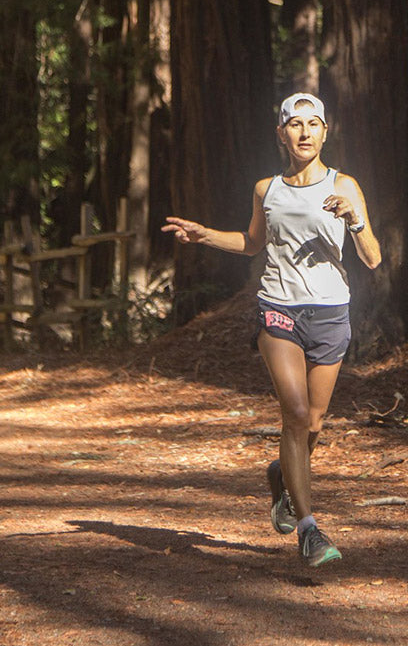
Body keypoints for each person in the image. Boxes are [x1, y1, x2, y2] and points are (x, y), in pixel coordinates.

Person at [162, 92, 381, 567]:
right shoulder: (268, 189)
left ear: (326, 132)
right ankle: (309, 529)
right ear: (281, 133)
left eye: (313, 124)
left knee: (314, 424)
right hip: (279, 308)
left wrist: (355, 219)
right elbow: (251, 243)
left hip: (331, 312)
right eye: (295, 124)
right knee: (297, 414)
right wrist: (205, 235)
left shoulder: (346, 185)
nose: (304, 132)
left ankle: (281, 476)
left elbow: (372, 257)